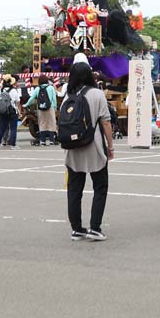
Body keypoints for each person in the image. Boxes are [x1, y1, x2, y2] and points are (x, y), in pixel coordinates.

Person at [61, 61, 114, 241]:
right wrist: (110, 146)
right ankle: (95, 227)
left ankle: (76, 228)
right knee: (100, 186)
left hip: (72, 149)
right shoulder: (97, 94)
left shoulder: (68, 96)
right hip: (94, 147)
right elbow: (106, 122)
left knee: (74, 189)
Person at [0, 75, 20, 149]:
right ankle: (12, 144)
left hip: (2, 111)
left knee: (2, 128)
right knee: (13, 128)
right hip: (12, 110)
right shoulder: (13, 90)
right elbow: (17, 101)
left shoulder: (0, 90)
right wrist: (18, 109)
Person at [37, 78, 58, 145]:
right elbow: (54, 98)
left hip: (40, 108)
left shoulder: (37, 88)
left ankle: (43, 141)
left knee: (42, 123)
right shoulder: (51, 88)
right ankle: (52, 141)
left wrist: (26, 104)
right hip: (50, 107)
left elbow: (32, 98)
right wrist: (55, 107)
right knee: (51, 123)